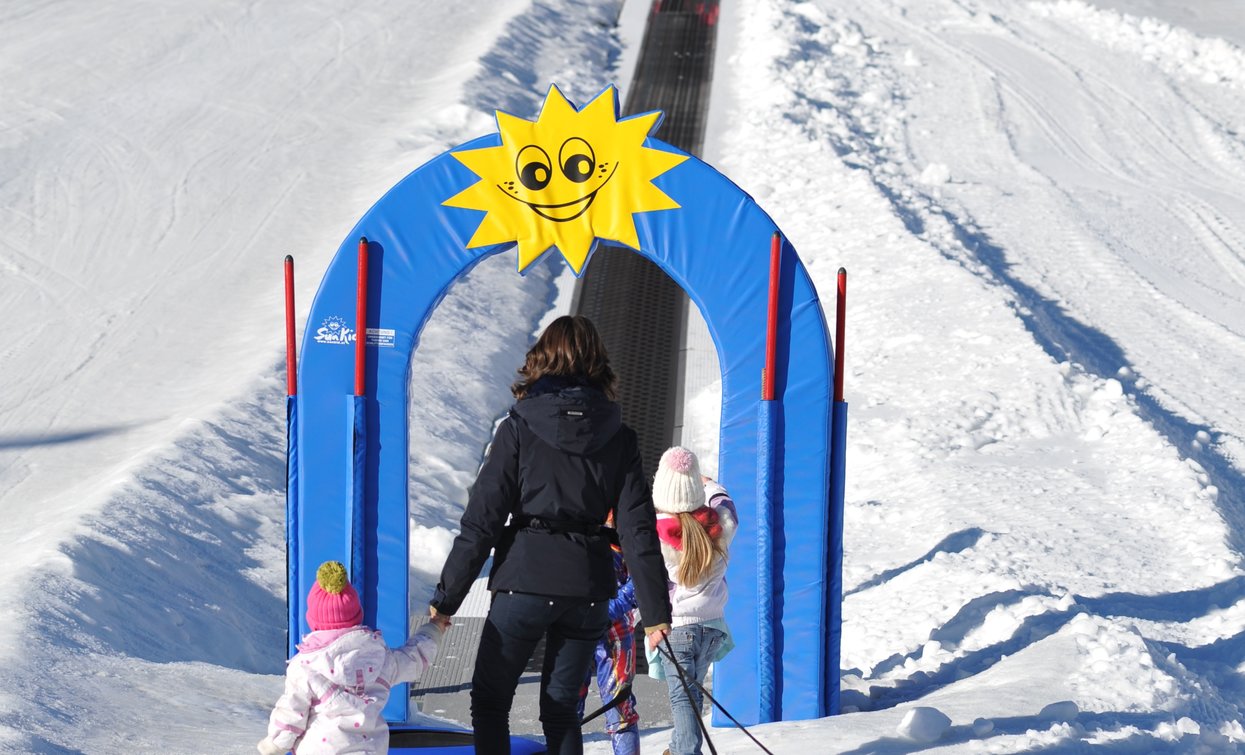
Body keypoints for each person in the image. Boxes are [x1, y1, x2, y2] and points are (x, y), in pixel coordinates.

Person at [429, 315, 672, 755]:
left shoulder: (519, 427)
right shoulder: (620, 437)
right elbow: (638, 530)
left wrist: (447, 601)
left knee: (490, 703)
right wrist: (656, 615)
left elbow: (482, 519)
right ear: (597, 363)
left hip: (523, 582)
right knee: (561, 712)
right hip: (588, 589)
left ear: (543, 357)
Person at [257, 561, 449, 755]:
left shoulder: (306, 666)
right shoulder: (379, 657)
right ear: (357, 616)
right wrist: (434, 629)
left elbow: (292, 711)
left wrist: (276, 745)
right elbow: (413, 659)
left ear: (313, 620)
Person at [645, 446, 738, 755]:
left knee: (682, 696)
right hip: (712, 627)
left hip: (678, 628)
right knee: (691, 693)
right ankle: (679, 747)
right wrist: (709, 485)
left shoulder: (655, 535)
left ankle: (686, 751)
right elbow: (726, 504)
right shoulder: (720, 525)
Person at [576, 514, 641, 755]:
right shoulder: (568, 506)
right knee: (563, 710)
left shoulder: (626, 517)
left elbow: (641, 579)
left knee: (620, 711)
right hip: (572, 627)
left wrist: (607, 610)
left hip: (613, 629)